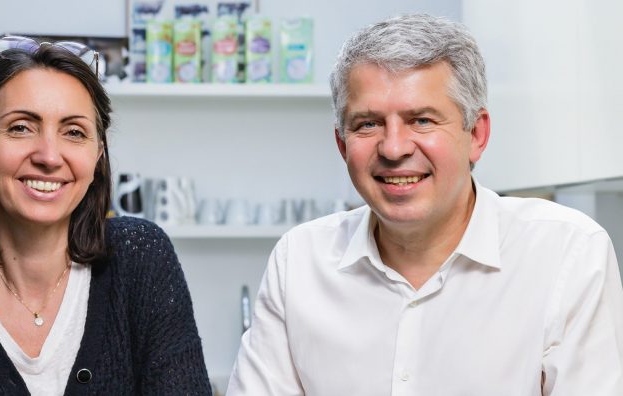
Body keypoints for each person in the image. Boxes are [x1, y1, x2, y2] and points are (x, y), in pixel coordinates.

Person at [227, 14, 623, 395]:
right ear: (341, 143)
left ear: (477, 135)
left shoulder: (567, 253)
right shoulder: (299, 261)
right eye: (368, 123)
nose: (394, 148)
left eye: (422, 120)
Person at [0, 36, 211, 395]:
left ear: (98, 158)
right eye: (20, 127)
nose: (48, 155)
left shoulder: (142, 260)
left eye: (74, 132)